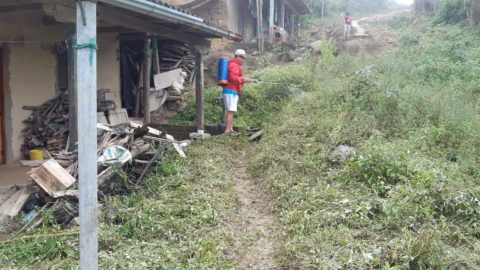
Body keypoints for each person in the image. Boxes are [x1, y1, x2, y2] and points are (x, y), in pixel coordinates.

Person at [222, 49, 252, 136]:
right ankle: (227, 131)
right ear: (238, 57)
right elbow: (233, 78)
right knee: (231, 111)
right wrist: (243, 79)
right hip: (231, 90)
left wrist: (243, 81)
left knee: (232, 111)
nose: (243, 60)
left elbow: (235, 79)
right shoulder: (234, 65)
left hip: (232, 90)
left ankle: (230, 129)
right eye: (242, 58)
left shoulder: (232, 64)